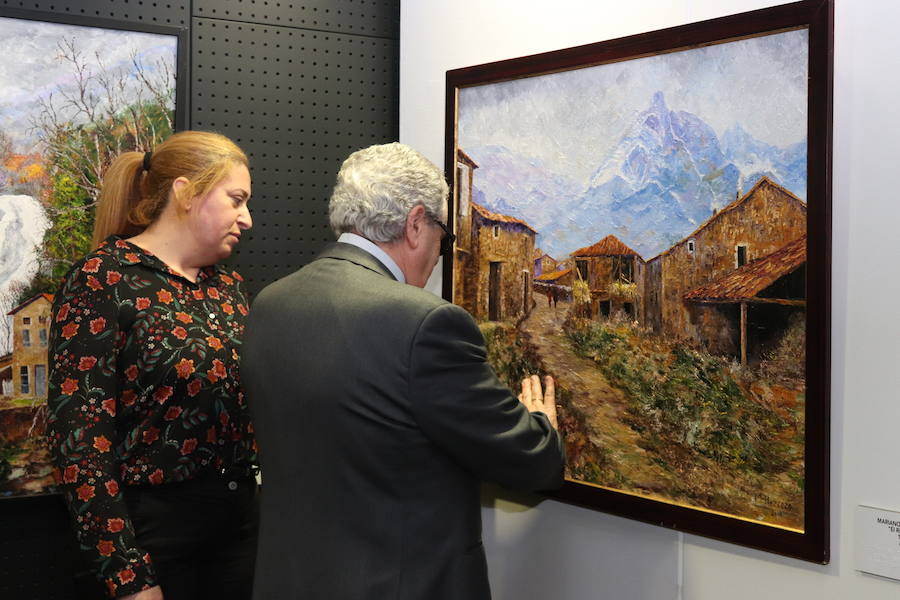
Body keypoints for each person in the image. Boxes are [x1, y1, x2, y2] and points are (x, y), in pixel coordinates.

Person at [242, 142, 564, 600]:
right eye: (443, 235)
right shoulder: (425, 324)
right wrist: (542, 425)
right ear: (416, 224)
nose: (439, 254)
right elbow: (532, 462)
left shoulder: (271, 303)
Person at [47, 131, 258, 600]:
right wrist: (127, 576)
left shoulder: (228, 288)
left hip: (237, 527)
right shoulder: (103, 280)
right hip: (152, 540)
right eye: (236, 200)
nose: (246, 219)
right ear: (186, 192)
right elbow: (78, 443)